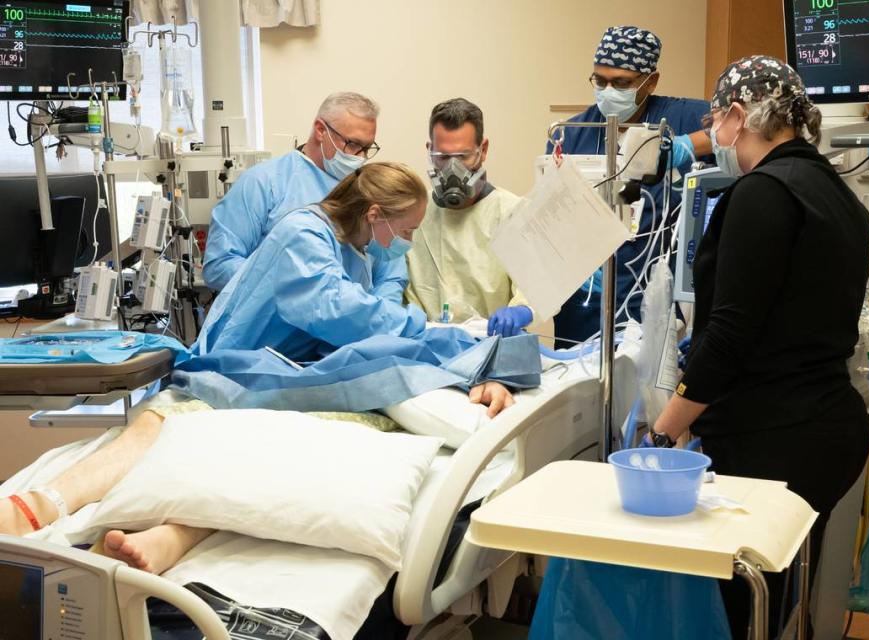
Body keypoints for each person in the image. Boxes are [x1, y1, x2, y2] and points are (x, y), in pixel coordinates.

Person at [0, 163, 515, 575]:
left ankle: (171, 537)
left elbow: (376, 300)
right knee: (159, 427)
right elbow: (339, 310)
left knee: (264, 467)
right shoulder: (304, 234)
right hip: (235, 368)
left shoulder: (356, 245)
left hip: (288, 374)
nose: (404, 241)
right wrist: (428, 333)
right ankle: (40, 504)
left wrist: (441, 342)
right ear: (375, 213)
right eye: (404, 231)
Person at [649, 55, 869, 638]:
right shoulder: (836, 196)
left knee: (737, 610)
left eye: (718, 119)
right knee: (775, 603)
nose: (715, 135)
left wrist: (665, 429)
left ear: (741, 116)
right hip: (827, 430)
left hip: (775, 439)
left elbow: (728, 337)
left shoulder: (761, 193)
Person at [551, 26, 713, 344]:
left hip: (651, 303)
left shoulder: (683, 117)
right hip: (583, 310)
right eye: (600, 81)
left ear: (650, 82)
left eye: (621, 83)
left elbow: (745, 127)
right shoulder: (572, 134)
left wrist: (686, 145)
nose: (608, 91)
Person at [202, 91, 382, 291]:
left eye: (367, 147)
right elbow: (219, 266)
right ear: (321, 130)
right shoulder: (263, 183)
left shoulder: (368, 190)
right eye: (353, 144)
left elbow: (389, 270)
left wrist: (380, 311)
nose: (361, 157)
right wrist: (291, 285)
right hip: (278, 319)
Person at [405, 98, 541, 337]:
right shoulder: (412, 215)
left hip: (491, 346)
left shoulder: (512, 212)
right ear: (429, 151)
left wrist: (522, 310)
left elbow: (534, 288)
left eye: (464, 156)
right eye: (443, 157)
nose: (452, 168)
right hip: (425, 350)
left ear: (483, 150)